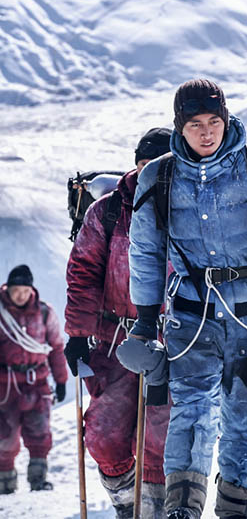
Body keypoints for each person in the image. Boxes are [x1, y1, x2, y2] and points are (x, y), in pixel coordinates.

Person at [120, 79, 247, 519]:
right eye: (195, 124)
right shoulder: (158, 176)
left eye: (213, 122)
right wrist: (146, 318)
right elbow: (145, 251)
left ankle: (235, 510)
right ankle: (182, 509)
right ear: (179, 127)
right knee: (191, 415)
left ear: (226, 119)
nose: (206, 132)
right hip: (191, 316)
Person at [65, 127, 173, 518]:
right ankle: (128, 506)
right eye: (145, 164)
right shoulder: (107, 211)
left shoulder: (191, 208)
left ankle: (155, 510)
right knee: (104, 436)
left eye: (160, 165)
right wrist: (78, 335)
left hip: (174, 342)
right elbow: (82, 272)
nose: (151, 172)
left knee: (158, 439)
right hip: (114, 340)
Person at [0, 265, 68, 494]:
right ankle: (4, 484)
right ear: (8, 289)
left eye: (25, 290)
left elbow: (56, 347)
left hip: (36, 383)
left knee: (40, 433)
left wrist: (60, 380)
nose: (20, 295)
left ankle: (38, 481)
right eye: (16, 290)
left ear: (31, 290)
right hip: (5, 385)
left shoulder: (44, 312)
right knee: (4, 437)